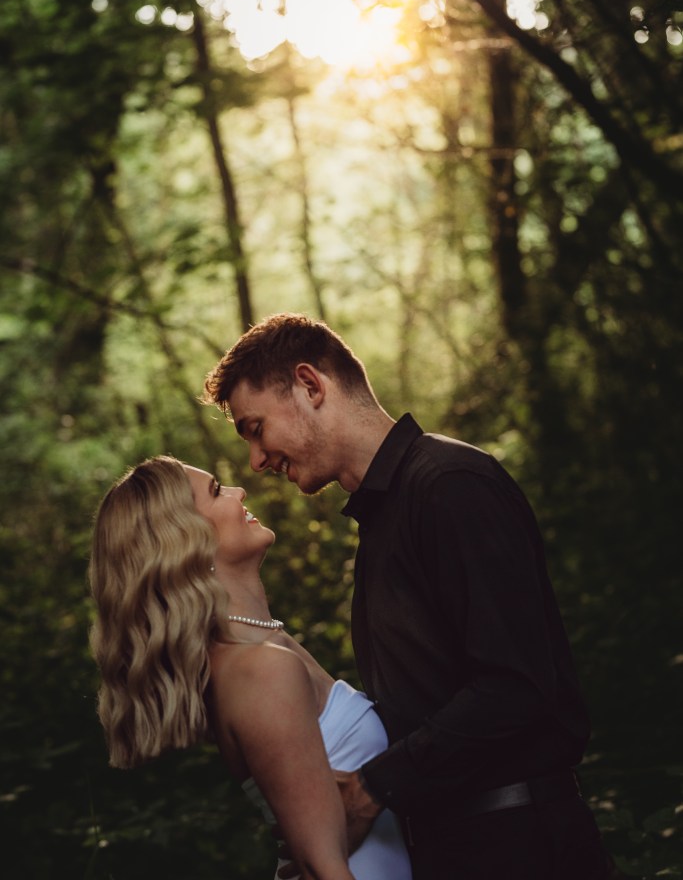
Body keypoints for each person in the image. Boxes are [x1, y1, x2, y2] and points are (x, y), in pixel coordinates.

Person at [203, 312, 617, 880]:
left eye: (256, 428)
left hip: (520, 847)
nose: (256, 460)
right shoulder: (383, 518)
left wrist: (370, 789)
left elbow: (515, 687)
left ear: (310, 385)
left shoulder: (450, 485)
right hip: (450, 849)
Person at [89, 455, 412, 880]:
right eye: (216, 491)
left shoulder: (264, 646)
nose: (239, 491)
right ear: (187, 539)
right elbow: (321, 867)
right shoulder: (259, 668)